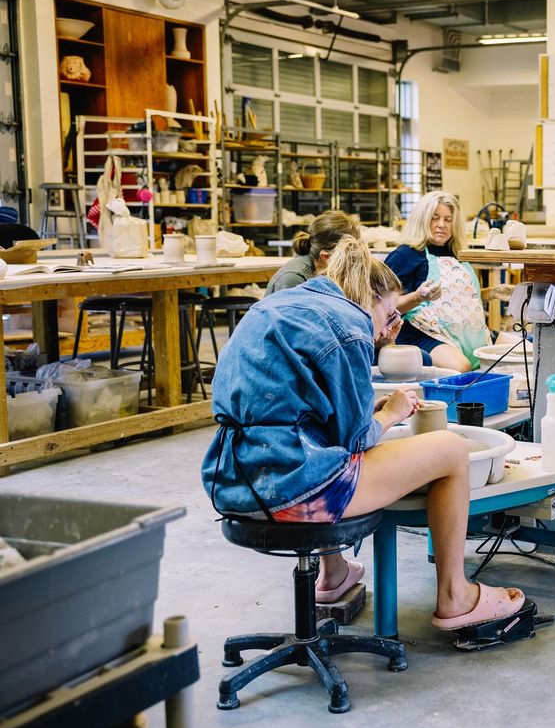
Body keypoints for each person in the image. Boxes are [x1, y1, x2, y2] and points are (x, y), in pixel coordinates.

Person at [202, 237, 524, 630]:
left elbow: (287, 405)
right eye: (390, 314)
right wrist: (390, 414)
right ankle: (455, 594)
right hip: (291, 491)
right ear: (369, 298)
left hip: (233, 480)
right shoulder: (349, 324)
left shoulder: (273, 306)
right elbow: (357, 440)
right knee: (451, 449)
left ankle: (333, 574)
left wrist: (367, 408)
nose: (389, 330)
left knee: (321, 443)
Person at [385, 192, 490, 372]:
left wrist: (493, 292)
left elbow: (460, 300)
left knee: (515, 353)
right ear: (422, 220)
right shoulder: (406, 255)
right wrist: (417, 297)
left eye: (448, 219)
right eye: (435, 218)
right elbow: (383, 307)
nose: (441, 225)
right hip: (420, 335)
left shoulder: (457, 254)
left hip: (465, 335)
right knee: (461, 367)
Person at [265, 210, 362, 295]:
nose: (352, 261)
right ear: (326, 257)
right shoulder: (293, 280)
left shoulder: (327, 272)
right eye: (350, 255)